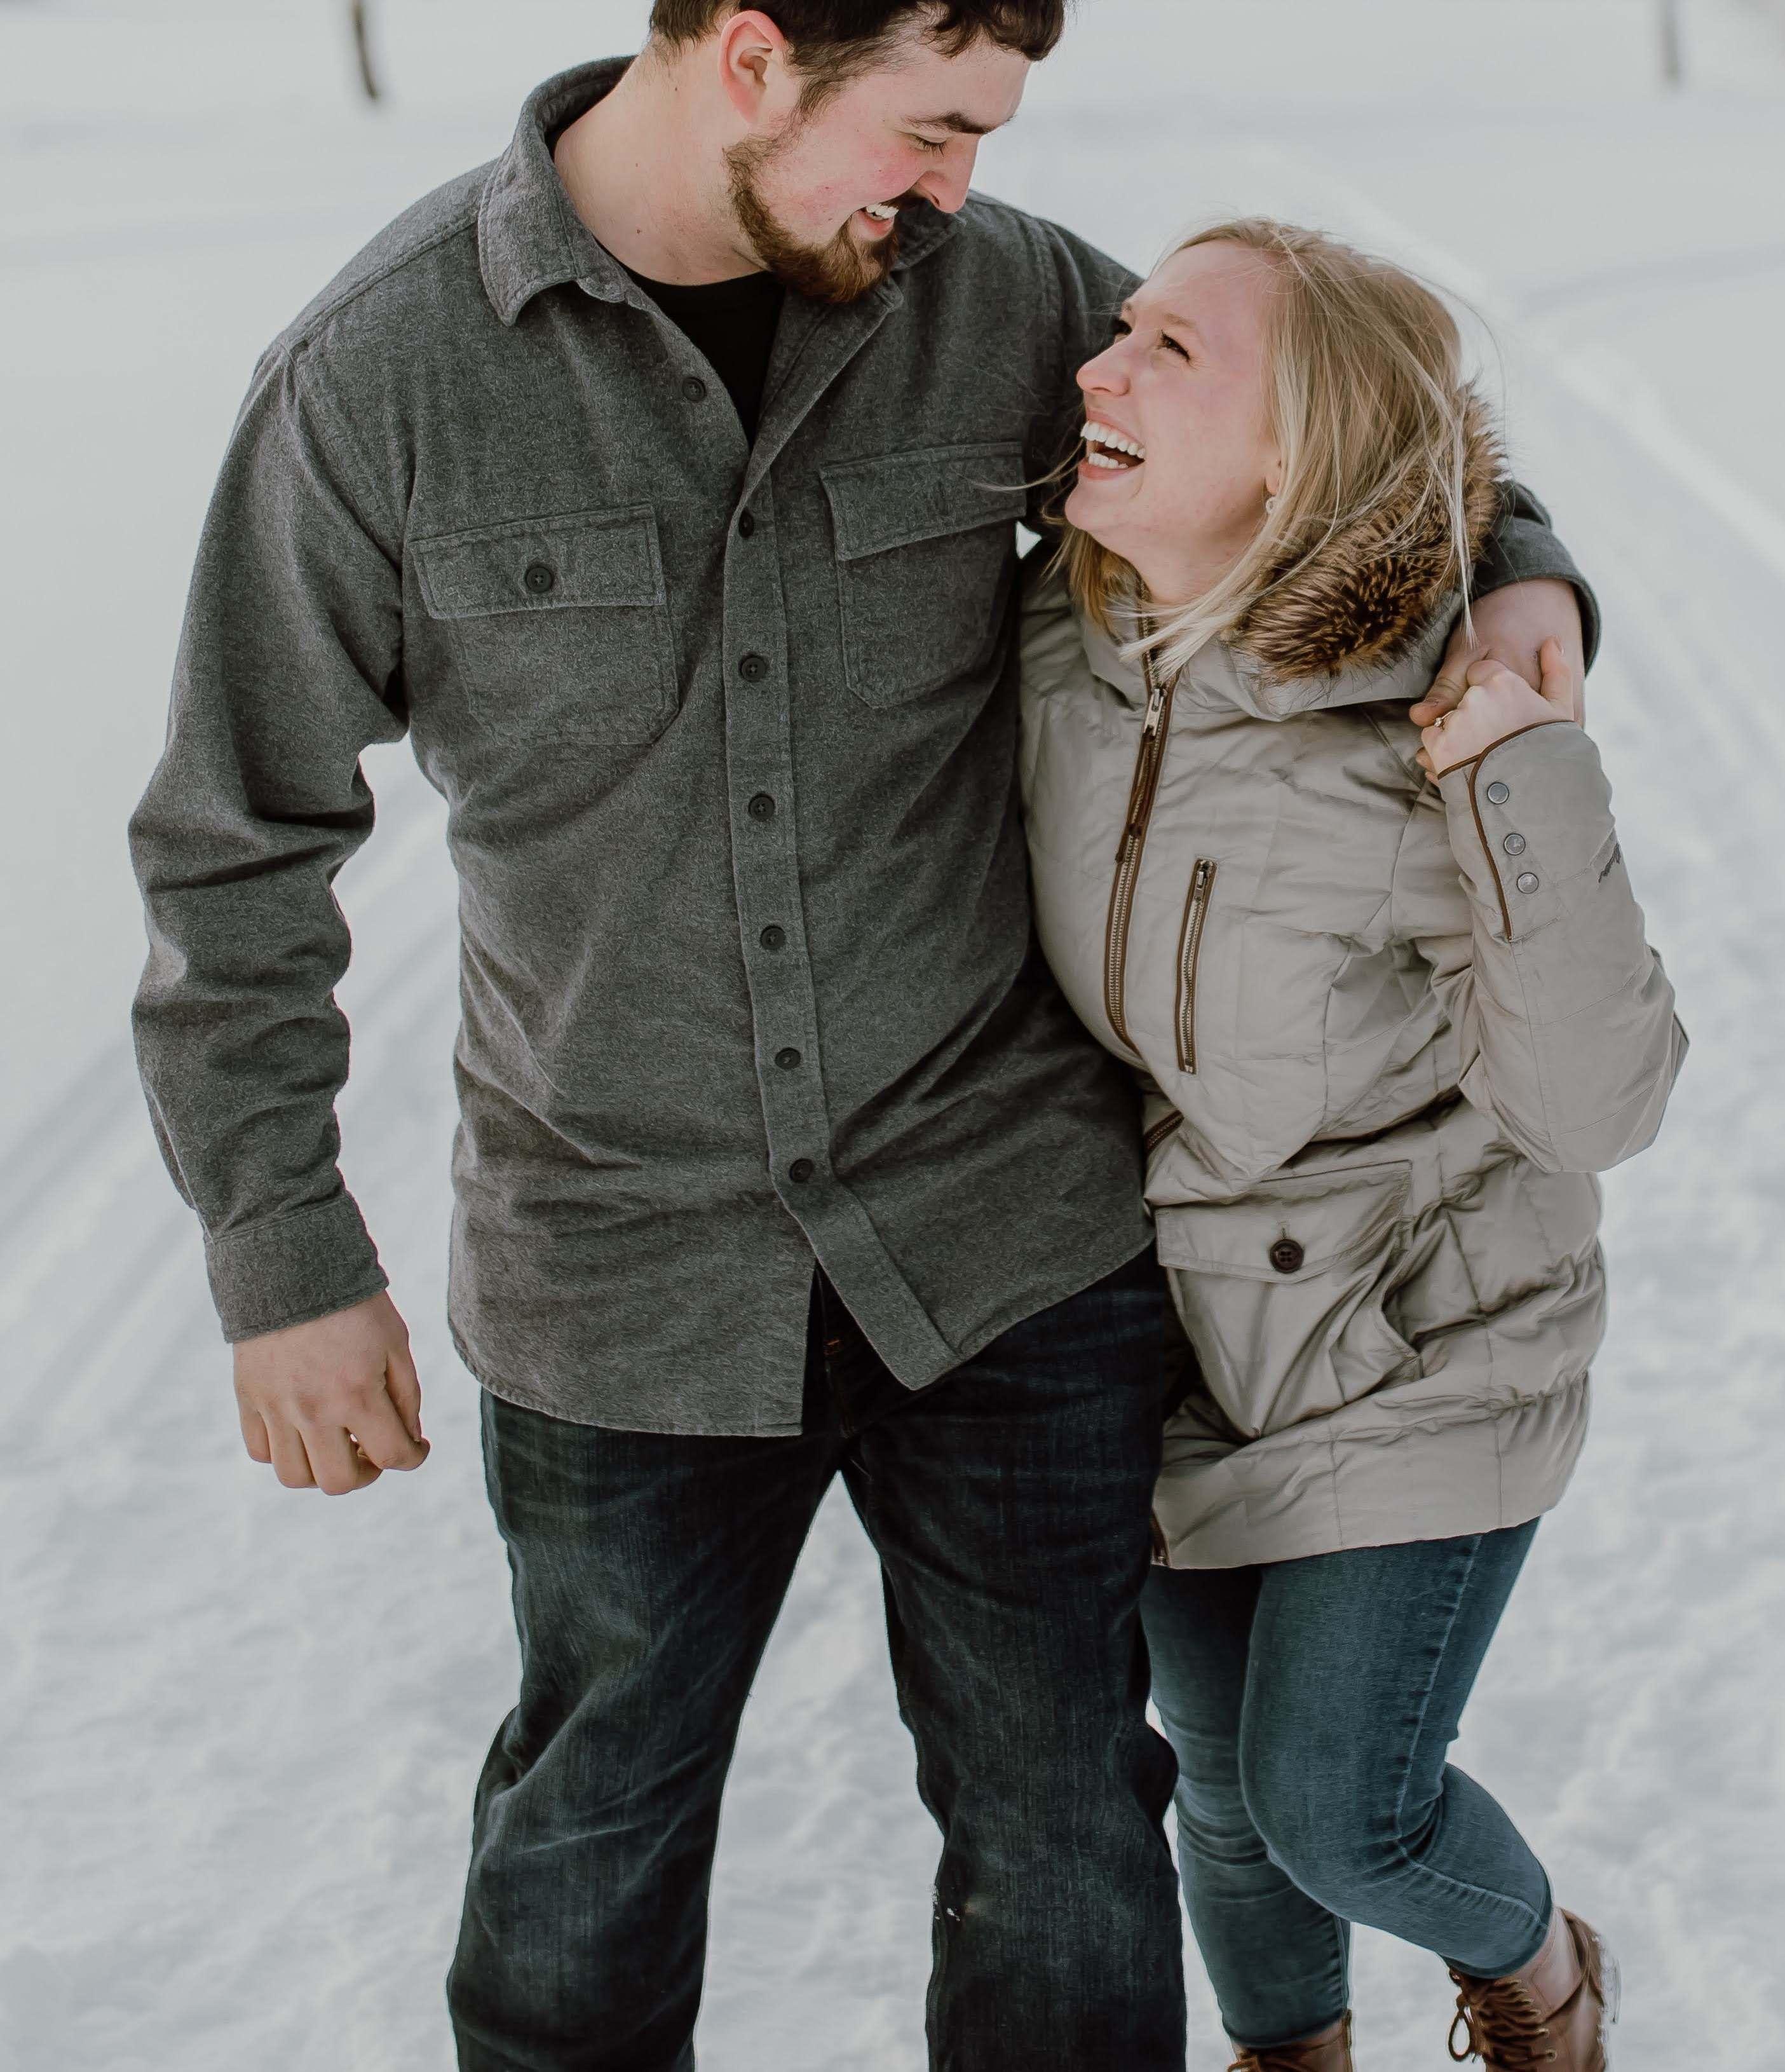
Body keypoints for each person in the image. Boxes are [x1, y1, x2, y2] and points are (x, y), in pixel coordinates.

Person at [126, 3, 1597, 2062]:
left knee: (1068, 1834)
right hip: (621, 1261)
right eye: (929, 129)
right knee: (589, 1842)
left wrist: (1522, 567)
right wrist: (282, 1254)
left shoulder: (985, 297)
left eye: (986, 137)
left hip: (1004, 1230)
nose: (959, 189)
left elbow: (1341, 438)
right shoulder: (378, 381)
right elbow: (231, 841)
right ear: (748, 57)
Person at [1019, 220, 1685, 2072]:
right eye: (1120, 327)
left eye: (1168, 349)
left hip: (1422, 1328)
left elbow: (1597, 1107)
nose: (1096, 366)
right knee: (1221, 1798)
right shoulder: (1064, 626)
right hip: (1171, 1328)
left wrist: (1519, 761)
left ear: (1294, 461)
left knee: (1339, 1809)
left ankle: (1543, 1972)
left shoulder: (1434, 713)